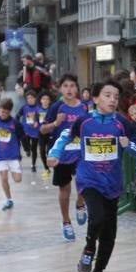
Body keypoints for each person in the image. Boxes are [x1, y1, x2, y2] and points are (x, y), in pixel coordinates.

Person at [46, 80, 136, 272]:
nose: (112, 100)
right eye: (107, 95)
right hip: (89, 180)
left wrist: (128, 145)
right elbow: (65, 135)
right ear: (95, 99)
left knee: (110, 236)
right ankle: (89, 248)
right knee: (97, 217)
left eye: (116, 97)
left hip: (112, 183)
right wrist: (55, 154)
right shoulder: (84, 122)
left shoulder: (122, 123)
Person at [41, 74, 90, 241]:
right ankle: (66, 222)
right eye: (66, 86)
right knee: (65, 189)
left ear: (77, 88)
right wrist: (55, 123)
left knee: (83, 180)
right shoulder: (57, 107)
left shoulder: (84, 107)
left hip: (81, 152)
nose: (69, 89)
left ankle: (80, 204)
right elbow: (43, 130)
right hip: (62, 154)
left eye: (72, 86)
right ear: (60, 89)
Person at [0, 97, 24, 211]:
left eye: (5, 112)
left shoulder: (15, 123)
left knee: (18, 180)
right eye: (1, 111)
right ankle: (9, 200)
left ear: (10, 112)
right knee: (4, 177)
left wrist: (26, 149)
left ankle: (15, 170)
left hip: (13, 154)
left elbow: (22, 137)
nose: (3, 113)